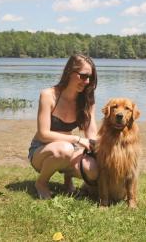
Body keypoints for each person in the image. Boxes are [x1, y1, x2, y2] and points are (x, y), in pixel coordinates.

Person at [28, 54, 98, 199]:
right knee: (65, 149)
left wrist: (99, 148)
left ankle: (68, 181)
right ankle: (41, 183)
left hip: (69, 149)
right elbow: (43, 134)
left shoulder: (87, 100)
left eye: (90, 77)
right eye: (83, 76)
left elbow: (91, 133)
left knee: (93, 170)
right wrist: (77, 140)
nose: (87, 81)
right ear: (69, 72)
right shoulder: (48, 95)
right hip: (42, 151)